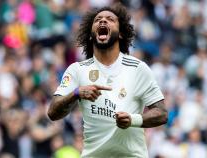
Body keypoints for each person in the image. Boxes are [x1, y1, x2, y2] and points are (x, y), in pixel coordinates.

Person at [47, 3, 168, 158]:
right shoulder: (77, 70)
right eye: (98, 20)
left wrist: (133, 119)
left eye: (110, 19)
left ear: (121, 34)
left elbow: (162, 114)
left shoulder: (138, 69)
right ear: (91, 34)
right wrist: (76, 93)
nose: (103, 21)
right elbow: (53, 113)